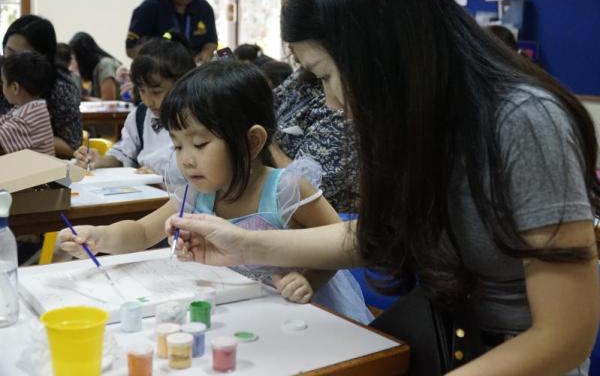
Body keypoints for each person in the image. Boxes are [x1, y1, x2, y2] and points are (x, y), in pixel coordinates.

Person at [165, 0, 599, 375]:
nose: (332, 101)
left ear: (382, 50)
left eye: (326, 75)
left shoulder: (523, 122)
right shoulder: (416, 122)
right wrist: (242, 244)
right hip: (446, 342)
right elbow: (378, 238)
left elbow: (564, 336)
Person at [60, 60, 372, 324]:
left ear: (252, 142)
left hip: (304, 317)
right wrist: (99, 237)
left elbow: (343, 245)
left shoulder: (287, 189)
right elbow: (142, 232)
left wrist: (308, 279)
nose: (186, 158)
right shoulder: (196, 193)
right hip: (242, 313)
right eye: (178, 144)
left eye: (199, 144)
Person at [74, 35, 193, 182]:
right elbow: (124, 152)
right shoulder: (141, 115)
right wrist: (98, 160)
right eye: (142, 90)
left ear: (181, 84)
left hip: (181, 199)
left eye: (156, 92)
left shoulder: (194, 119)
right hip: (146, 194)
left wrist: (159, 178)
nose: (148, 100)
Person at [271, 67, 359, 213]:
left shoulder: (344, 120)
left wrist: (269, 144)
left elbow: (304, 189)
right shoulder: (301, 78)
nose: (331, 102)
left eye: (326, 77)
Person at [1, 15, 82, 157]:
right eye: (9, 51)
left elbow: (72, 145)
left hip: (37, 170)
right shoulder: (6, 75)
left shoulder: (60, 89)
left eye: (21, 56)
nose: (12, 61)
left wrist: (33, 137)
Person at [126, 0, 217, 64]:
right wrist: (160, 55)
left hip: (194, 72)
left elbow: (211, 42)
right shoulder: (148, 8)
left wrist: (205, 54)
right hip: (161, 73)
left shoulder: (204, 9)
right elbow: (130, 50)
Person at [0, 51, 55, 156]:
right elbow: (4, 121)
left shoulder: (24, 119)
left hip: (38, 171)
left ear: (15, 88)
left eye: (3, 82)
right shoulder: (34, 108)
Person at [69, 32, 121, 101]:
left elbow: (108, 102)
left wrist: (82, 98)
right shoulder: (94, 71)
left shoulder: (105, 65)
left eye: (76, 59)